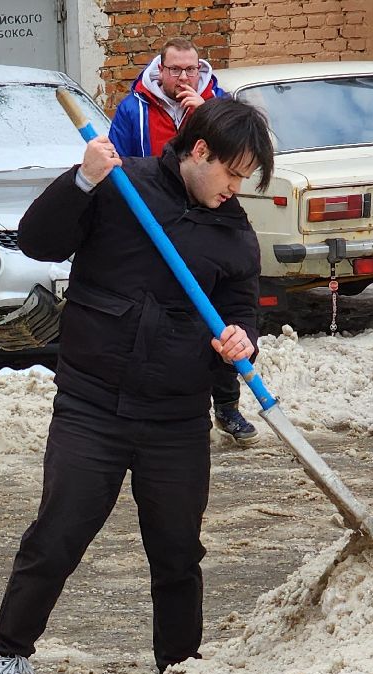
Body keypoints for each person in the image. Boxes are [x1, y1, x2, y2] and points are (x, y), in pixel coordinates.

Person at [0, 96, 274, 674]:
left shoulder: (234, 232)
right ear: (200, 152)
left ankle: (179, 668)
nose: (237, 186)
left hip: (176, 417)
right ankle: (10, 655)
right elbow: (37, 240)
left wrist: (241, 337)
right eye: (233, 171)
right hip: (93, 405)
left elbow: (241, 306)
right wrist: (82, 179)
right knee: (58, 534)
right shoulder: (120, 187)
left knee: (177, 550)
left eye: (246, 176)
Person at [108, 37, 262, 449]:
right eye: (174, 70)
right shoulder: (134, 108)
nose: (182, 77)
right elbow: (120, 167)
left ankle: (227, 404)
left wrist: (205, 116)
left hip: (209, 221)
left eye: (189, 69)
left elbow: (238, 152)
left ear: (200, 69)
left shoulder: (216, 102)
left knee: (217, 315)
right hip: (153, 220)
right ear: (160, 71)